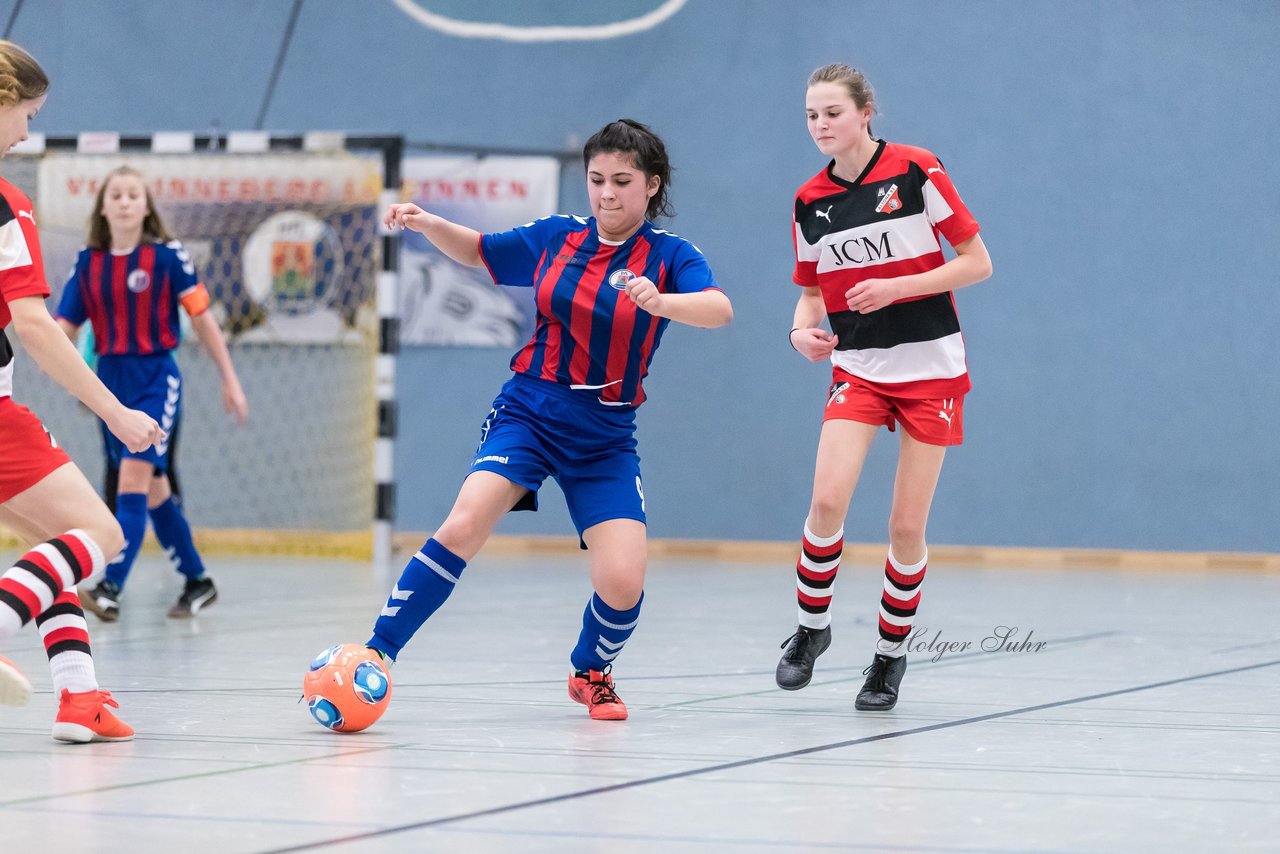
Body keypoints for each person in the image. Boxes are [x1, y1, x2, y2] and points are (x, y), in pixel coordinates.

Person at [365, 118, 732, 721]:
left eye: (622, 180)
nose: (607, 192)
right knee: (465, 522)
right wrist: (428, 223)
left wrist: (661, 303)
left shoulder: (672, 257)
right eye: (596, 179)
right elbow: (482, 252)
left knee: (623, 582)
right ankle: (378, 653)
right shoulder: (558, 237)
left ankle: (590, 669)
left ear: (651, 186)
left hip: (606, 436)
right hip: (530, 412)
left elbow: (719, 309)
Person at [776, 64, 992, 710]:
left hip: (931, 370)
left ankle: (889, 658)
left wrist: (897, 286)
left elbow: (977, 263)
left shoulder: (916, 169)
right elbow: (810, 295)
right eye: (811, 115)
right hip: (860, 368)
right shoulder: (808, 200)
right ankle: (811, 632)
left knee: (904, 527)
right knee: (825, 502)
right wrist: (799, 334)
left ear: (866, 111)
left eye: (832, 113)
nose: (820, 126)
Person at [0, 39, 165, 740]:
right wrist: (117, 412)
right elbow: (34, 325)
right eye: (27, 116)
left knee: (56, 542)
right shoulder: (5, 203)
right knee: (100, 533)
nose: (26, 133)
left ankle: (80, 696)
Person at [55, 165, 248, 621]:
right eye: (115, 194)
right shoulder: (88, 263)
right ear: (103, 206)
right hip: (109, 383)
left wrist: (230, 378)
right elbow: (61, 328)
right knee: (156, 493)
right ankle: (199, 582)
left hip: (156, 380)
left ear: (146, 207)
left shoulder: (167, 257)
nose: (124, 201)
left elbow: (202, 319)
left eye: (132, 195)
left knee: (132, 485)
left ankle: (109, 587)